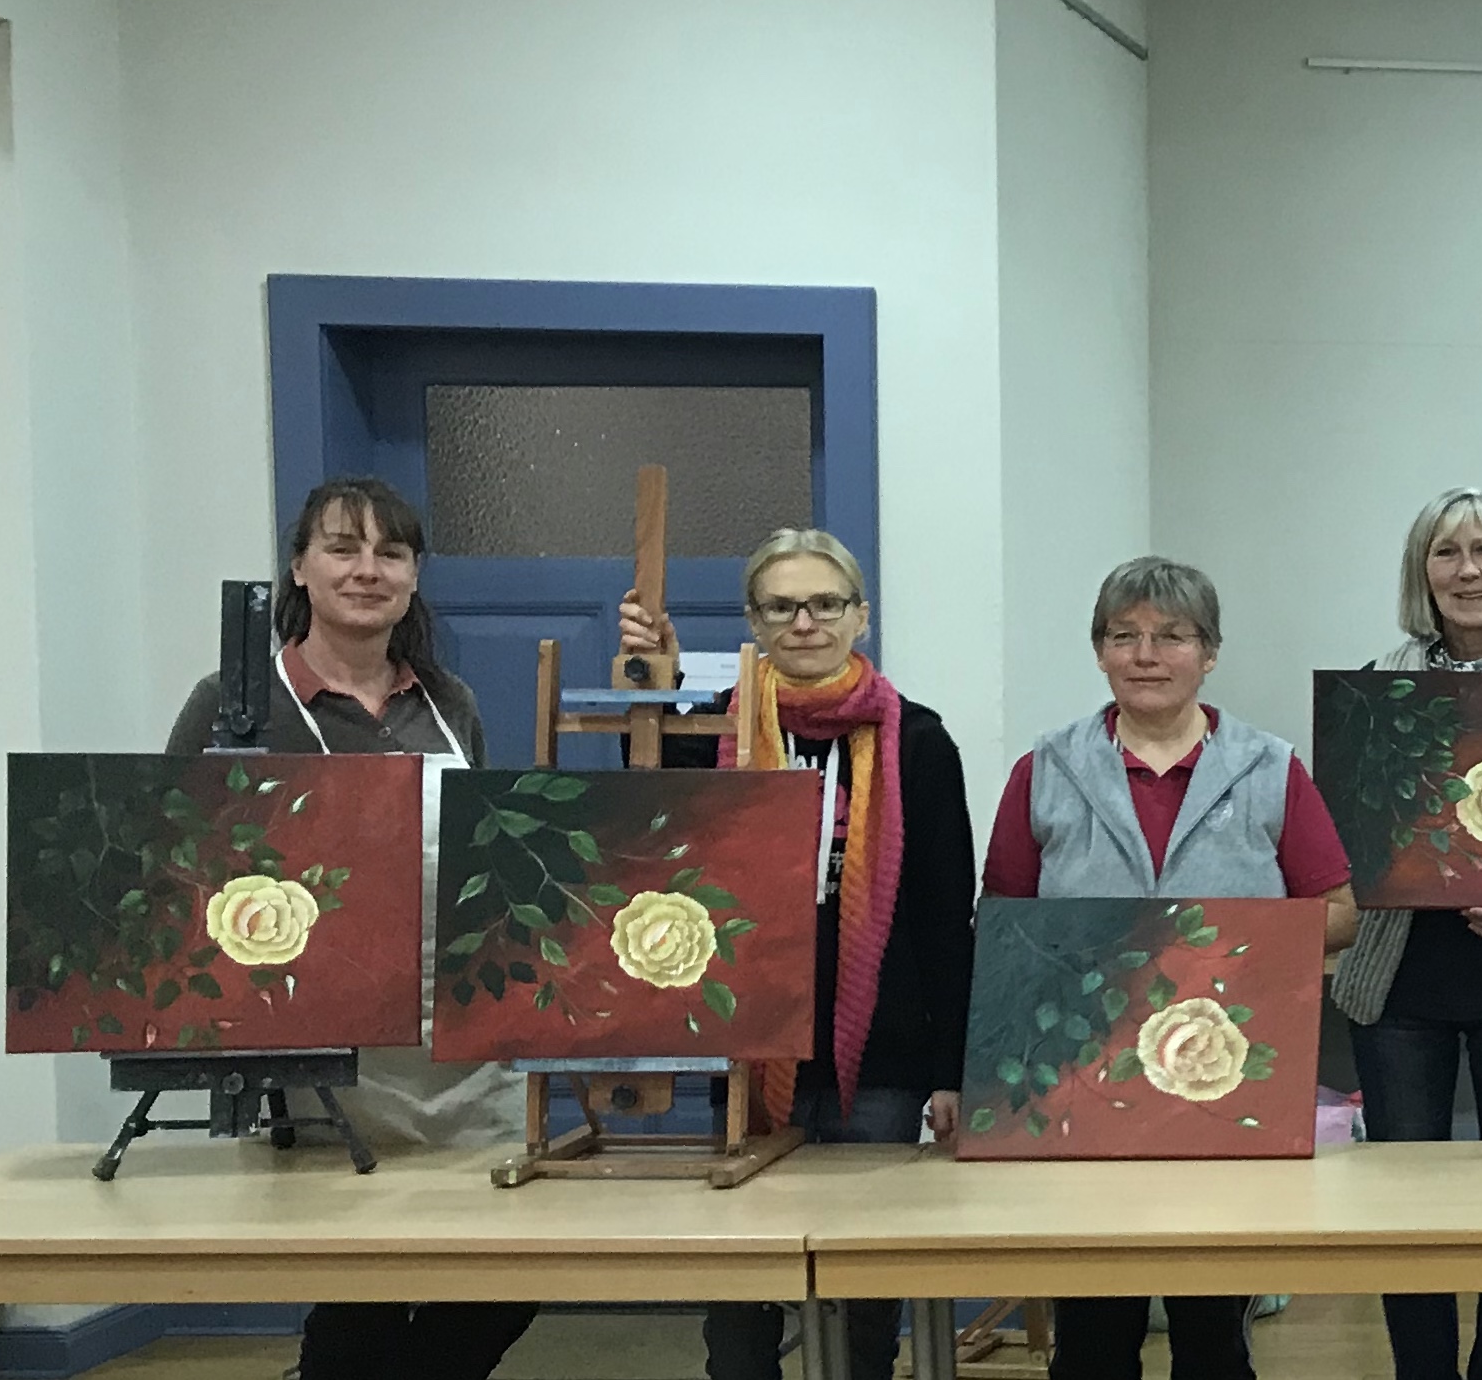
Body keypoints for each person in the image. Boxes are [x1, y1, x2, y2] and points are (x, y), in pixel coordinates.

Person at [167, 478, 531, 1380]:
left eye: (390, 553)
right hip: (322, 1047)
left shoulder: (448, 701)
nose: (368, 569)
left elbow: (482, 856)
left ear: (413, 575)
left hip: (458, 1043)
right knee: (357, 1286)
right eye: (342, 547)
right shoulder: (236, 703)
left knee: (509, 1269)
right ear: (300, 567)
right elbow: (175, 865)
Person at [982, 556, 1363, 1380]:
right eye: (1125, 635)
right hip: (1083, 1080)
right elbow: (1001, 927)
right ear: (1099, 651)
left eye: (1171, 636)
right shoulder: (1044, 771)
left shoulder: (1269, 767)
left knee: (1212, 1335)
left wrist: (1222, 948)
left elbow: (1339, 912)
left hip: (1222, 1080)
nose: (1147, 654)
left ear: (1210, 652)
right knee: (1092, 1339)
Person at [615, 530, 978, 1380]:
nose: (804, 622)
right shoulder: (716, 731)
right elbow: (645, 814)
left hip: (880, 1061)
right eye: (781, 606)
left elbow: (944, 918)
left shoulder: (919, 742)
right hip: (747, 1047)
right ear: (754, 621)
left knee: (862, 1300)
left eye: (824, 603)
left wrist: (953, 1070)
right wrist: (655, 687)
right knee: (740, 1306)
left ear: (860, 615)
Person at [1340, 488, 1482, 1380]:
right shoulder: (1373, 686)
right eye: (1445, 552)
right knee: (1406, 1213)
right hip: (1399, 985)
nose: (1467, 570)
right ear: (1421, 571)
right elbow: (1342, 838)